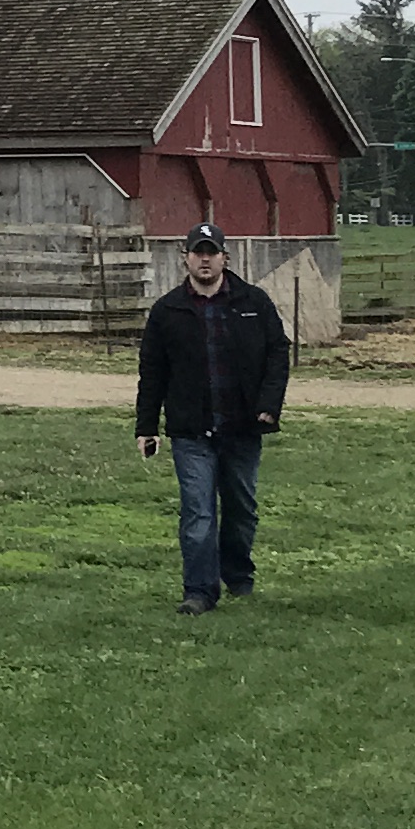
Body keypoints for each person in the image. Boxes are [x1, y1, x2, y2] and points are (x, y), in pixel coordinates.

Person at [134, 221, 289, 615]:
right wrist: (146, 426)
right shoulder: (168, 311)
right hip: (191, 431)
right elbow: (152, 372)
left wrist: (269, 405)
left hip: (242, 426)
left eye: (212, 252)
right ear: (184, 257)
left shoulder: (254, 303)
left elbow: (277, 355)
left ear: (225, 257)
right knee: (198, 511)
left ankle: (238, 575)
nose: (205, 259)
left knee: (240, 509)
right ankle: (199, 591)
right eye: (198, 252)